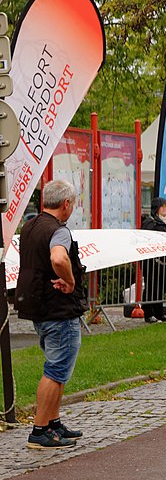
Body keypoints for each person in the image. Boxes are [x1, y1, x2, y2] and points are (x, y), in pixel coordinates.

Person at [16, 180, 87, 449]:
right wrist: (68, 281)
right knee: (56, 370)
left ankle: (53, 424)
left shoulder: (30, 226)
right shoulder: (59, 231)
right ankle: (39, 430)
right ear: (66, 204)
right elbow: (58, 259)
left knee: (56, 365)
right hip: (59, 308)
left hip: (38, 305)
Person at [140, 197, 166, 323]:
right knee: (151, 287)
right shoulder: (150, 223)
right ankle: (148, 313)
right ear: (156, 209)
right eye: (162, 206)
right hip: (152, 262)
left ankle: (159, 313)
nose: (164, 209)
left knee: (161, 287)